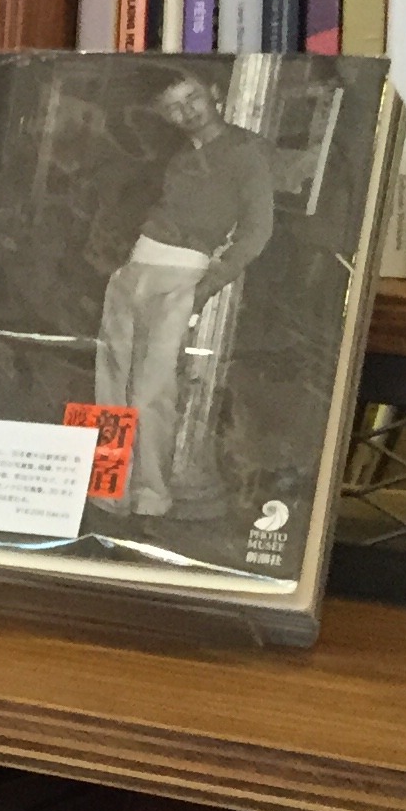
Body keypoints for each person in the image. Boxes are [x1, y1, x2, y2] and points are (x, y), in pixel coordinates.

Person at [93, 68, 274, 520]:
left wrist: (206, 285)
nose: (186, 111)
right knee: (110, 385)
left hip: (182, 273)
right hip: (134, 269)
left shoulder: (246, 150)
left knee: (153, 390)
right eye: (173, 107)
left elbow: (256, 232)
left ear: (212, 93)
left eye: (192, 98)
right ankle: (107, 491)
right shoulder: (174, 158)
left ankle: (151, 498)